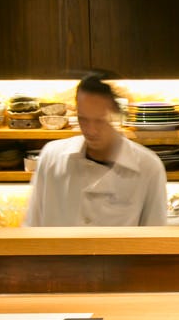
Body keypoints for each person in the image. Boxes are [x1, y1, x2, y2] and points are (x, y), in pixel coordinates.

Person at [23, 74, 168, 227]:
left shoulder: (148, 167)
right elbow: (32, 226)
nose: (91, 130)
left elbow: (154, 236)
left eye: (100, 120)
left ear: (116, 116)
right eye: (83, 119)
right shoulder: (52, 157)